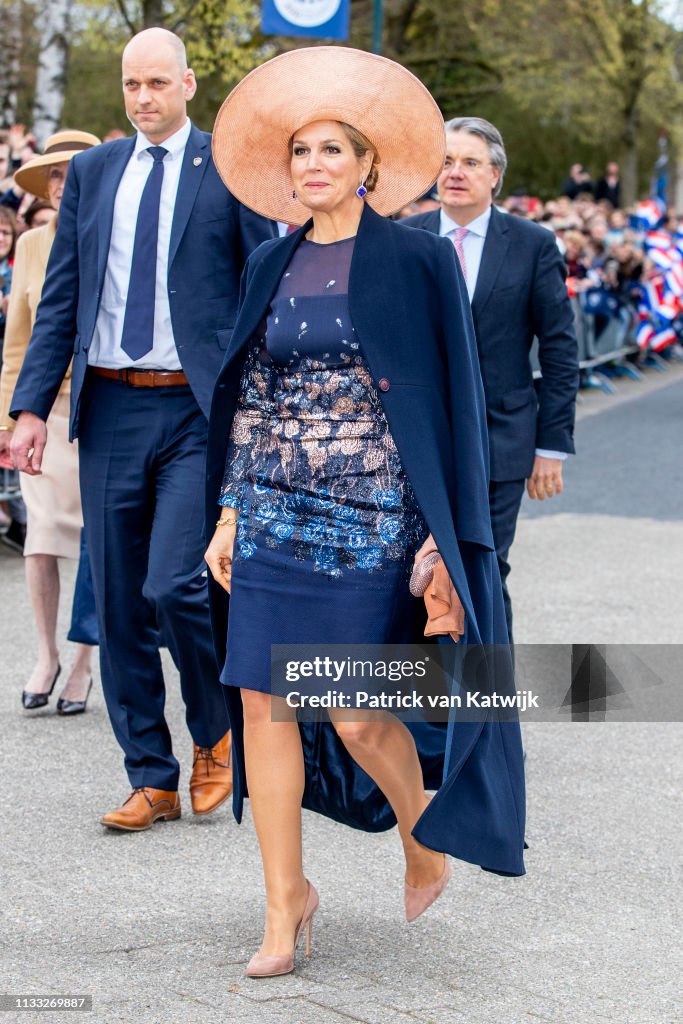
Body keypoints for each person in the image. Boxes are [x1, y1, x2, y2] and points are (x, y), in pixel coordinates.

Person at [204, 46, 525, 979]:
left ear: (367, 165)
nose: (313, 165)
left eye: (331, 151)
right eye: (301, 151)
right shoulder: (270, 261)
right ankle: (283, 906)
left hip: (371, 517)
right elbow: (251, 396)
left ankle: (419, 836)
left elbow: (448, 407)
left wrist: (438, 533)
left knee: (349, 712)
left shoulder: (418, 262)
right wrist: (228, 513)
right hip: (271, 509)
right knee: (263, 704)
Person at [10, 28, 276, 828]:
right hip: (111, 403)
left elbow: (260, 289)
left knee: (176, 584)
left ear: (188, 84)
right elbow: (62, 297)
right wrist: (28, 408)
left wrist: (263, 408)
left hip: (196, 409)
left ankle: (214, 733)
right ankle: (149, 775)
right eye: (131, 85)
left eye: (157, 83)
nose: (143, 98)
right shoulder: (91, 174)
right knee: (121, 602)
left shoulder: (226, 172)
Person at [403, 117, 579, 640]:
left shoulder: (532, 244)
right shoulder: (402, 239)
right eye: (446, 161)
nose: (455, 173)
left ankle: (486, 701)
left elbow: (560, 347)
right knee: (418, 573)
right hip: (419, 438)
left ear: (495, 175)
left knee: (482, 567)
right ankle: (432, 709)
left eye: (470, 163)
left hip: (500, 438)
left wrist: (552, 445)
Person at [0, 131, 100, 711]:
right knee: (39, 538)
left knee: (96, 541)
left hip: (102, 405)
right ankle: (46, 653)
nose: (63, 185)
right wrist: (9, 418)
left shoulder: (111, 235)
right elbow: (19, 340)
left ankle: (83, 661)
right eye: (54, 177)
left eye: (73, 173)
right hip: (44, 410)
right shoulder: (33, 243)